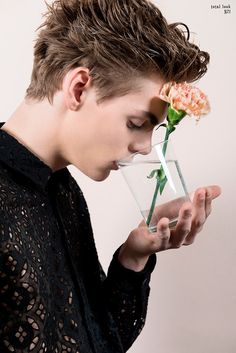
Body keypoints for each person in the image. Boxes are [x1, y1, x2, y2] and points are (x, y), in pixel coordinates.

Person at [0, 0, 221, 352]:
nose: (146, 147)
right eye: (136, 123)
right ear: (79, 87)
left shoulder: (64, 190)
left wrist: (134, 257)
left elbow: (99, 341)